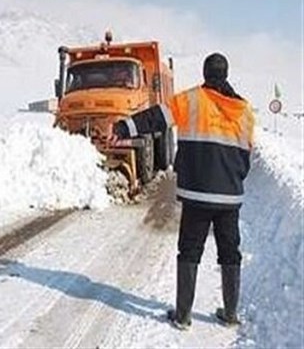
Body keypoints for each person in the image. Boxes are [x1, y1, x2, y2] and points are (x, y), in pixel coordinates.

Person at [108, 53, 254, 330]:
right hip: (230, 197)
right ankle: (231, 314)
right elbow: (246, 156)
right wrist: (233, 180)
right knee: (230, 252)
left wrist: (123, 127)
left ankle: (183, 316)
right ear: (226, 74)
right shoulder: (244, 111)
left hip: (197, 195)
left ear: (205, 73)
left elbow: (155, 118)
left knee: (189, 251)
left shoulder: (191, 100)